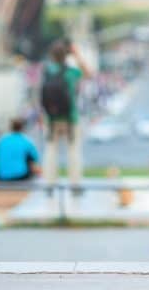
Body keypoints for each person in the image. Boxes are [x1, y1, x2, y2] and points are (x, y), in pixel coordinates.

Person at [41, 39, 92, 190]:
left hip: (50, 118)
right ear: (67, 55)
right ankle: (75, 184)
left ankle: (49, 184)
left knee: (51, 150)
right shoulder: (71, 72)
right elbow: (88, 74)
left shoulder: (46, 70)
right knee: (73, 151)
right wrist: (77, 55)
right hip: (70, 117)